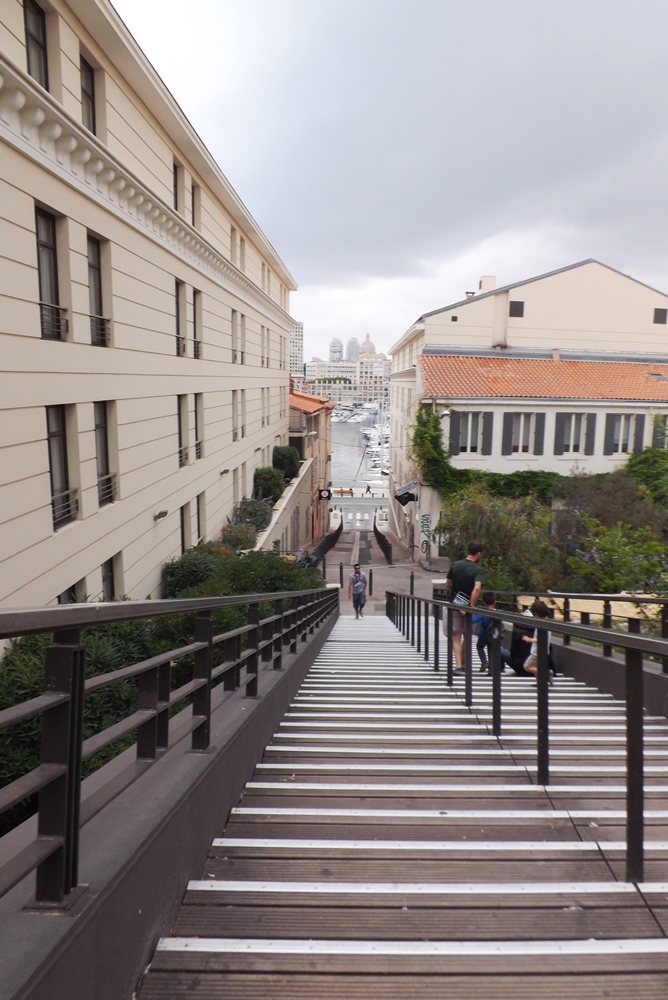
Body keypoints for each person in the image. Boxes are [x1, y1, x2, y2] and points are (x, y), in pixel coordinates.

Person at [443, 542, 484, 674]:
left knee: (456, 636)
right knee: (467, 636)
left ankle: (458, 665)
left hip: (455, 605)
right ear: (478, 554)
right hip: (468, 608)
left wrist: (456, 593)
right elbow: (477, 588)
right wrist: (471, 605)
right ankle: (465, 665)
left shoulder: (455, 565)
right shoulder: (477, 570)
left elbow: (447, 584)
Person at [472, 591, 512, 673]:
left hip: (483, 635)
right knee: (491, 651)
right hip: (494, 635)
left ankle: (484, 662)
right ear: (495, 602)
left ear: (484, 602)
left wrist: (465, 614)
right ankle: (491, 671)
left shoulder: (483, 614)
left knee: (479, 647)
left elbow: (473, 620)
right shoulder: (497, 613)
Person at [521, 599, 553, 683]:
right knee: (536, 666)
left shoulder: (542, 625)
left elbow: (540, 639)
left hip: (537, 651)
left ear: (538, 614)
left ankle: (545, 673)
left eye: (534, 614)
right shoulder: (546, 622)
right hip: (544, 650)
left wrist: (529, 640)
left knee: (527, 666)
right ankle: (540, 682)